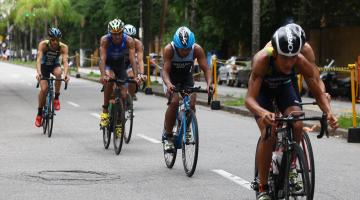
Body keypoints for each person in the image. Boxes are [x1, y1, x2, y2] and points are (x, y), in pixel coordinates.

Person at [245, 25, 339, 200]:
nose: (289, 62)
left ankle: (291, 165)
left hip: (285, 86)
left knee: (297, 122)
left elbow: (317, 91)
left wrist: (329, 112)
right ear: (276, 53)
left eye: (293, 57)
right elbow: (249, 99)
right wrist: (262, 112)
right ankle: (263, 186)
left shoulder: (300, 60)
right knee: (269, 132)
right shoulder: (262, 59)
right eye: (285, 58)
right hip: (263, 92)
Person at [161, 26, 212, 151]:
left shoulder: (196, 49)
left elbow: (206, 69)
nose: (185, 52)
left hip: (186, 78)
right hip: (170, 79)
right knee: (173, 102)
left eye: (187, 49)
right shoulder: (169, 49)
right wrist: (168, 84)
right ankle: (168, 136)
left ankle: (186, 127)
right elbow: (165, 71)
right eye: (182, 49)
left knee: (192, 103)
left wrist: (210, 84)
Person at [99, 19, 139, 127]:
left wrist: (136, 76)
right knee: (110, 79)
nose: (117, 36)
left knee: (123, 94)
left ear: (123, 32)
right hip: (108, 64)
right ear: (110, 33)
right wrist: (103, 75)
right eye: (114, 34)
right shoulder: (105, 40)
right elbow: (102, 58)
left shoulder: (129, 40)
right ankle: (105, 111)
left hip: (120, 65)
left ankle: (119, 121)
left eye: (119, 33)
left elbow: (132, 59)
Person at [35, 27, 69, 127]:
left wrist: (66, 75)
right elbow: (38, 60)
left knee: (59, 74)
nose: (55, 42)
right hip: (43, 66)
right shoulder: (43, 45)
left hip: (54, 65)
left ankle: (56, 98)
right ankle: (39, 114)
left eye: (57, 40)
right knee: (44, 89)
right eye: (53, 39)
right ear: (49, 39)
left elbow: (65, 62)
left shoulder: (63, 47)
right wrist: (39, 73)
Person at [123, 24, 146, 101]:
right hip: (119, 61)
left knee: (132, 76)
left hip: (130, 62)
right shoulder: (118, 43)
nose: (130, 39)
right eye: (127, 37)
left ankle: (130, 95)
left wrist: (141, 74)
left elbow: (140, 60)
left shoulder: (138, 43)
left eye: (132, 37)